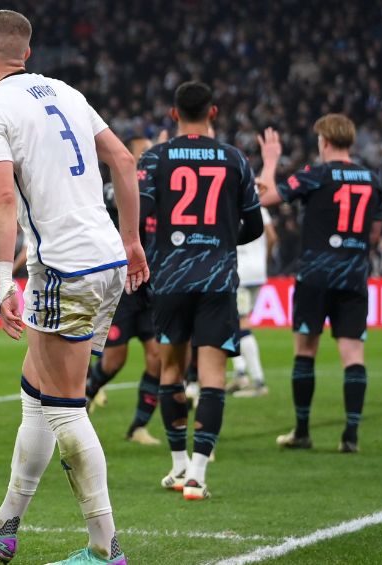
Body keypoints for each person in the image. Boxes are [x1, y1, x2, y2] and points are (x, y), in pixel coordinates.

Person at [0, 10, 148, 565]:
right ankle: (3, 525)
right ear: (27, 54)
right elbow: (125, 161)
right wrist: (132, 241)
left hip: (64, 267)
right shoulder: (66, 91)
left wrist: (3, 277)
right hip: (106, 259)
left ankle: (105, 549)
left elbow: (2, 196)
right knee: (36, 394)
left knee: (63, 406)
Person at [139, 81, 263, 501]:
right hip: (217, 280)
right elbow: (257, 226)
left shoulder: (155, 157)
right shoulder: (234, 158)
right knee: (212, 378)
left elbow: (138, 214)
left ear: (174, 114)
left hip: (171, 279)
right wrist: (221, 238)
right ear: (213, 112)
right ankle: (197, 475)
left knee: (170, 371)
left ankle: (176, 466)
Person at [256, 115, 382, 453]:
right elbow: (374, 232)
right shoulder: (373, 179)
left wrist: (270, 162)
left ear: (324, 142)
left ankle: (302, 431)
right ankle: (351, 436)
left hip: (315, 275)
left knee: (306, 350)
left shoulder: (316, 174)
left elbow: (267, 197)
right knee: (353, 353)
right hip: (354, 274)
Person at [83, 134, 166, 446]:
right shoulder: (113, 189)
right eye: (142, 153)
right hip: (122, 286)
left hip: (152, 285)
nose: (148, 157)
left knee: (156, 356)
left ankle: (139, 427)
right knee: (115, 359)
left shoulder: (159, 188)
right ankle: (87, 396)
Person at [226, 205, 277, 397]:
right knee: (234, 321)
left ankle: (257, 380)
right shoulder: (260, 208)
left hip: (240, 272)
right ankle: (240, 373)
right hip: (258, 272)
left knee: (240, 323)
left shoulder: (229, 206)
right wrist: (264, 257)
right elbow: (272, 236)